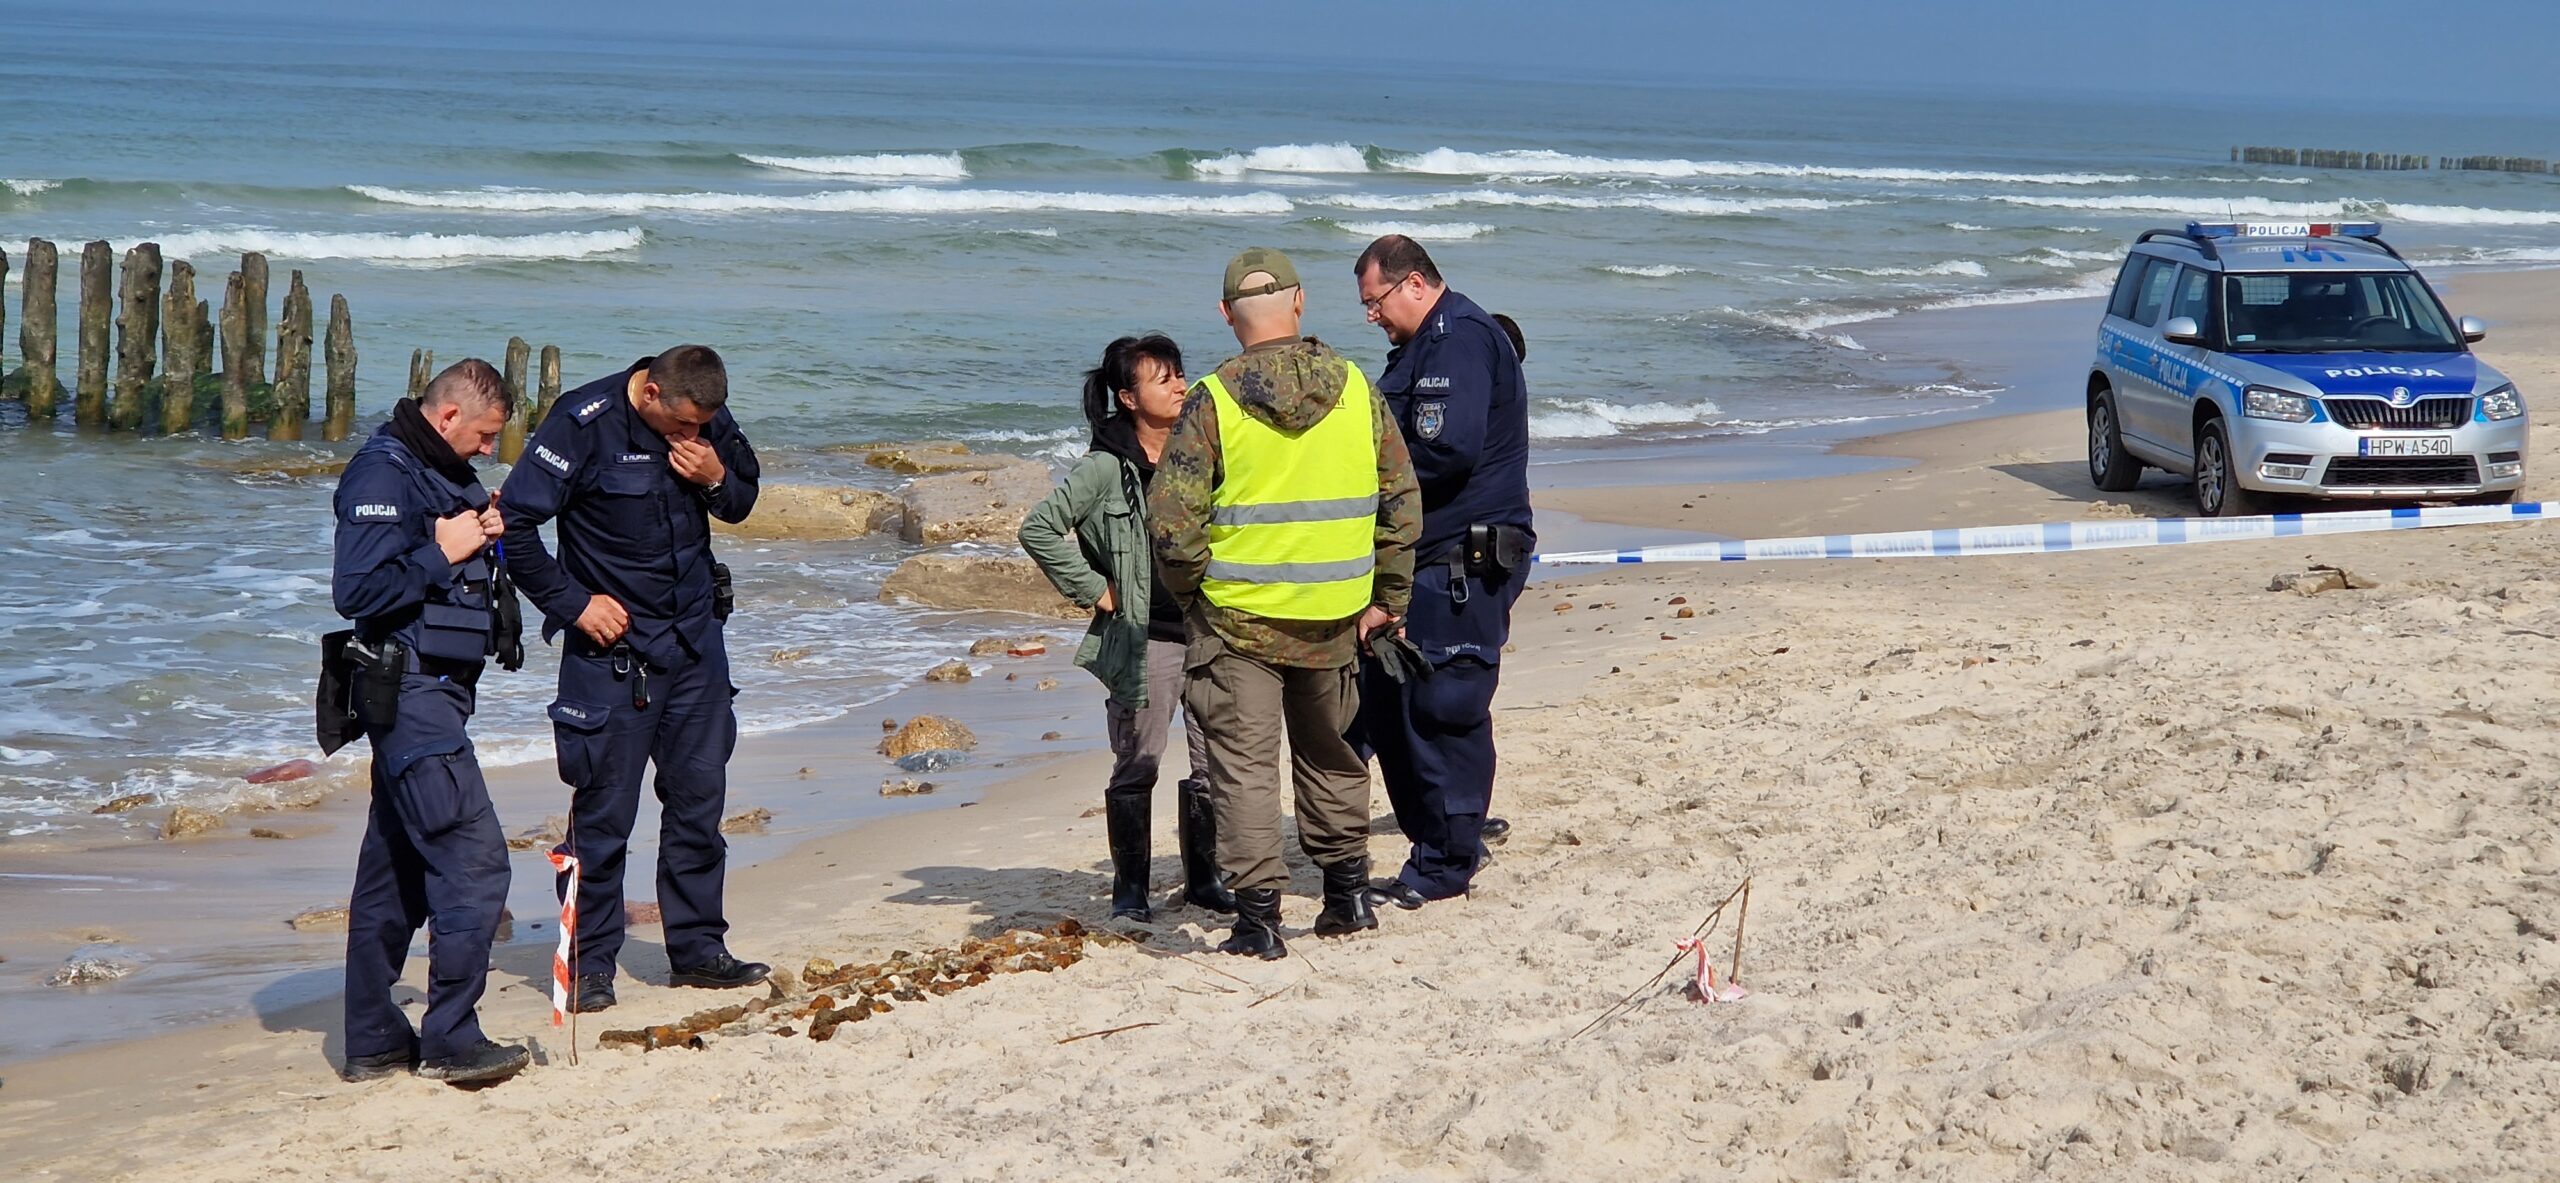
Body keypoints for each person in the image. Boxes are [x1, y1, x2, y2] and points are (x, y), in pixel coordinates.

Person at [1150, 248, 1421, 959]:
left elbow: (1172, 526)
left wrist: (1194, 597)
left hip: (1237, 620)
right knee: (1333, 755)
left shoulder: (1211, 399)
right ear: (1300, 303)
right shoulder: (1358, 387)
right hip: (1336, 615)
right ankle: (1348, 897)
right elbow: (1401, 502)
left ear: (1225, 314)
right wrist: (1388, 600)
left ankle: (1260, 921)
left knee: (1244, 768)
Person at [500, 345, 768, 1013]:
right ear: (650, 394)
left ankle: (699, 951)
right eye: (681, 424)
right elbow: (515, 526)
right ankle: (589, 967)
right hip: (611, 651)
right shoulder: (581, 422)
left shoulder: (704, 411)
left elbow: (741, 501)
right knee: (602, 820)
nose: (692, 433)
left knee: (699, 806)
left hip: (695, 644)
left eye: (701, 424)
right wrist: (573, 605)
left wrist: (716, 477)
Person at [332, 359, 530, 1085]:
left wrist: (483, 531)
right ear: (448, 416)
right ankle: (450, 1039)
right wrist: (443, 551)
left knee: (396, 873)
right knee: (475, 861)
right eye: (483, 435)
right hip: (411, 694)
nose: (489, 448)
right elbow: (358, 589)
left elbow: (446, 558)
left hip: (435, 694)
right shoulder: (381, 474)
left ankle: (373, 1041)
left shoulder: (437, 471)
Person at [1019, 334, 1238, 923]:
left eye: (1179, 373)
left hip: (1209, 629)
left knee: (1214, 761)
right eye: (1162, 378)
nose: (1179, 385)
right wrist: (1095, 589)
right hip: (1146, 639)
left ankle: (1205, 881)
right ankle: (1131, 890)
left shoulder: (1202, 453)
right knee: (1139, 761)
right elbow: (1039, 529)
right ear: (1128, 397)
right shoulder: (1103, 468)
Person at [1350, 234, 1535, 910]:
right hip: (1426, 558)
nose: (1371, 315)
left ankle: (1447, 861)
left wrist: (1359, 489)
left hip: (1460, 560)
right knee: (1395, 711)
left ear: (1414, 284)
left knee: (1442, 710)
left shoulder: (1457, 340)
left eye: (1375, 301)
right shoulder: (1423, 346)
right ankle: (1440, 844)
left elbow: (1442, 451)